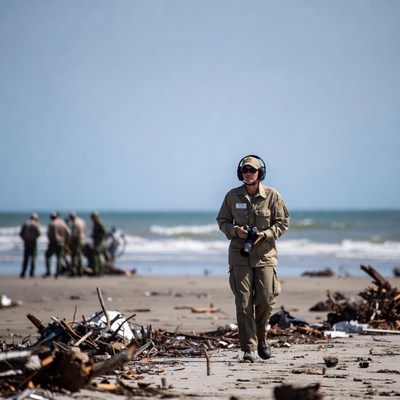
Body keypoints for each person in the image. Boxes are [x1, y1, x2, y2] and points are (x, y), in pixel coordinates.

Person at [216, 155, 289, 363]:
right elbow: (222, 221)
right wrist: (234, 230)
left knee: (266, 299)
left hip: (265, 256)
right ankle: (248, 348)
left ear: (260, 173)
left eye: (253, 170)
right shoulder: (232, 196)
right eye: (245, 170)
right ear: (241, 173)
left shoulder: (272, 196)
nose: (249, 173)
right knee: (244, 302)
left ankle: (262, 339)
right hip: (240, 256)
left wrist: (264, 235)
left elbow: (283, 223)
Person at [44, 212, 71, 278]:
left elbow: (49, 234)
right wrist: (66, 241)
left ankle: (48, 271)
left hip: (54, 242)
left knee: (48, 255)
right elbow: (69, 233)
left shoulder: (52, 223)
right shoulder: (62, 223)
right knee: (59, 257)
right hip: (61, 242)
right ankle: (58, 272)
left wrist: (50, 241)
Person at [19, 213, 41, 278]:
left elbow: (20, 233)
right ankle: (32, 272)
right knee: (33, 258)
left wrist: (24, 239)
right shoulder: (36, 224)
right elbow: (39, 233)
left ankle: (23, 272)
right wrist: (35, 238)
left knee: (25, 258)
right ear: (35, 218)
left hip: (26, 242)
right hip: (33, 243)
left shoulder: (25, 224)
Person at [68, 212, 87, 276]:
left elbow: (74, 234)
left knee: (74, 256)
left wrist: (70, 241)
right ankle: (81, 270)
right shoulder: (82, 221)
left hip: (77, 241)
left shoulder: (75, 223)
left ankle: (75, 271)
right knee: (80, 255)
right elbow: (84, 231)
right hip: (82, 239)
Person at [90, 212, 107, 276]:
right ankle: (96, 270)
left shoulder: (100, 224)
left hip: (99, 242)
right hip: (96, 242)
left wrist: (99, 238)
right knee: (95, 257)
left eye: (92, 217)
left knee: (99, 256)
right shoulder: (95, 224)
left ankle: (100, 271)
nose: (91, 219)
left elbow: (105, 233)